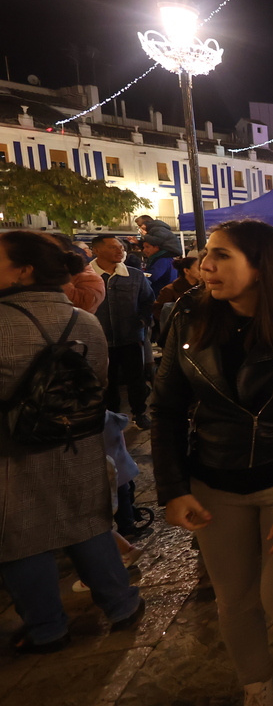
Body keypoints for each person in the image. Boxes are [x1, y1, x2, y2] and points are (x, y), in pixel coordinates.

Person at [151, 220, 273, 704]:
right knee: (234, 600)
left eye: (221, 255)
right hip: (213, 481)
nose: (205, 265)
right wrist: (173, 488)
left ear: (261, 268)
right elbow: (166, 407)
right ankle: (257, 685)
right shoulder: (187, 317)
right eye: (206, 253)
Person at [0, 231, 145, 654]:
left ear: (23, 272)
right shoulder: (83, 321)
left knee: (21, 539)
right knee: (88, 525)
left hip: (13, 449)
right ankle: (122, 605)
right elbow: (97, 384)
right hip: (78, 440)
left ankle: (47, 629)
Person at [90, 234, 154, 430]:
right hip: (99, 340)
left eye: (121, 247)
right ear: (96, 250)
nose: (120, 251)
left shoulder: (134, 275)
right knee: (106, 382)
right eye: (112, 247)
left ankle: (139, 413)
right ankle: (112, 418)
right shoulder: (85, 276)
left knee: (136, 379)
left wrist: (143, 321)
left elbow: (147, 301)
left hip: (130, 337)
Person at [153, 256, 202, 324]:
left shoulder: (205, 288)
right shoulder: (169, 290)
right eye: (199, 268)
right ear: (186, 271)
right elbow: (160, 314)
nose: (202, 271)